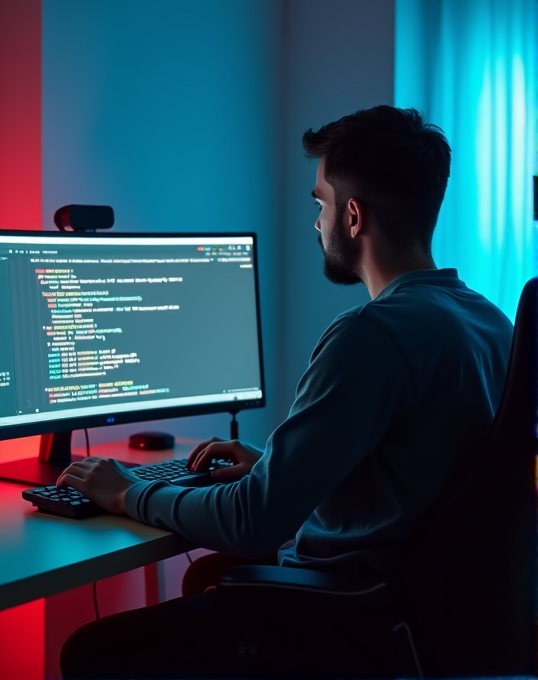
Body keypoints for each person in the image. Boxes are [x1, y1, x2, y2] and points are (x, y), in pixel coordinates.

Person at [58, 105, 514, 679]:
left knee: (91, 651)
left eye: (319, 202)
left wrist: (127, 494)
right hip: (425, 612)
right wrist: (275, 467)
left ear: (352, 216)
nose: (315, 222)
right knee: (207, 580)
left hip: (354, 616)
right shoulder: (489, 322)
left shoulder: (371, 337)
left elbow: (254, 522)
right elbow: (416, 484)